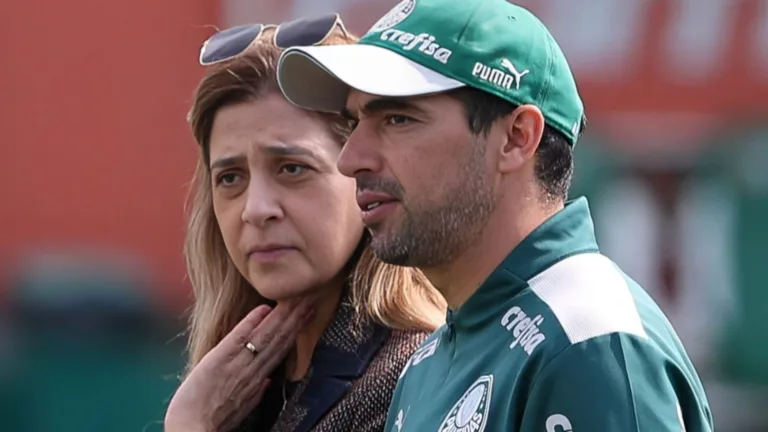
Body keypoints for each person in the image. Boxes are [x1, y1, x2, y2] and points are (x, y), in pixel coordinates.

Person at [275, 0, 715, 431]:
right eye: (354, 123)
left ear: (517, 138)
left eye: (398, 119)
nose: (350, 159)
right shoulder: (430, 360)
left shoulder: (589, 344)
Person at [163, 14, 446, 432]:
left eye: (292, 168)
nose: (256, 209)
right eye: (230, 178)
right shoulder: (227, 388)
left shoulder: (412, 378)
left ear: (364, 174)